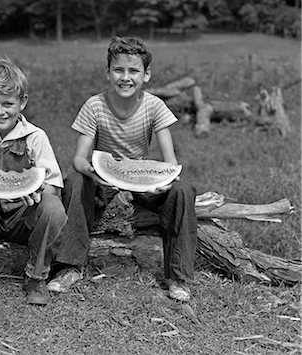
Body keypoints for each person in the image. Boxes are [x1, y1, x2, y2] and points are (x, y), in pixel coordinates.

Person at [60, 36, 198, 302]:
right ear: (108, 73)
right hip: (102, 180)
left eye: (134, 71)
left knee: (183, 190)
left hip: (142, 182)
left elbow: (170, 162)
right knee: (74, 181)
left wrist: (165, 181)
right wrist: (91, 171)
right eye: (118, 70)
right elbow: (79, 158)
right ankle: (69, 267)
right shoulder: (94, 105)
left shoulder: (154, 106)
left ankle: (177, 276)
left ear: (146, 75)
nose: (126, 77)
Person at [0, 57, 82, 307]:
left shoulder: (35, 137)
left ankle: (36, 275)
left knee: (52, 207)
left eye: (8, 104)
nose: (0, 112)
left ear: (23, 102)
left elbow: (51, 183)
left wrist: (38, 192)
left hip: (23, 218)